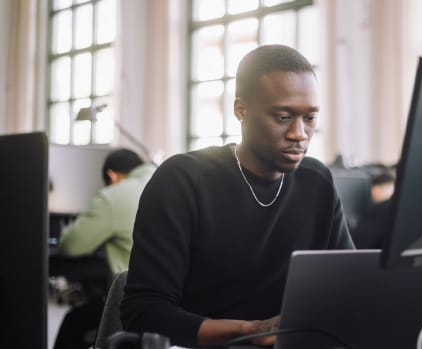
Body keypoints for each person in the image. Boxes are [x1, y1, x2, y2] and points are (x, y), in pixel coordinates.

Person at [120, 45, 355, 348]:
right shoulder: (184, 180)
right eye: (283, 117)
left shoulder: (317, 182)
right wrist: (251, 331)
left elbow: (351, 286)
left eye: (309, 118)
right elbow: (143, 313)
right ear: (241, 110)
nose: (299, 133)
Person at [53, 148, 156, 349]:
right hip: (178, 305)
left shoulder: (114, 195)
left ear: (112, 175)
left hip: (133, 305)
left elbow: (71, 245)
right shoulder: (168, 181)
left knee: (74, 322)